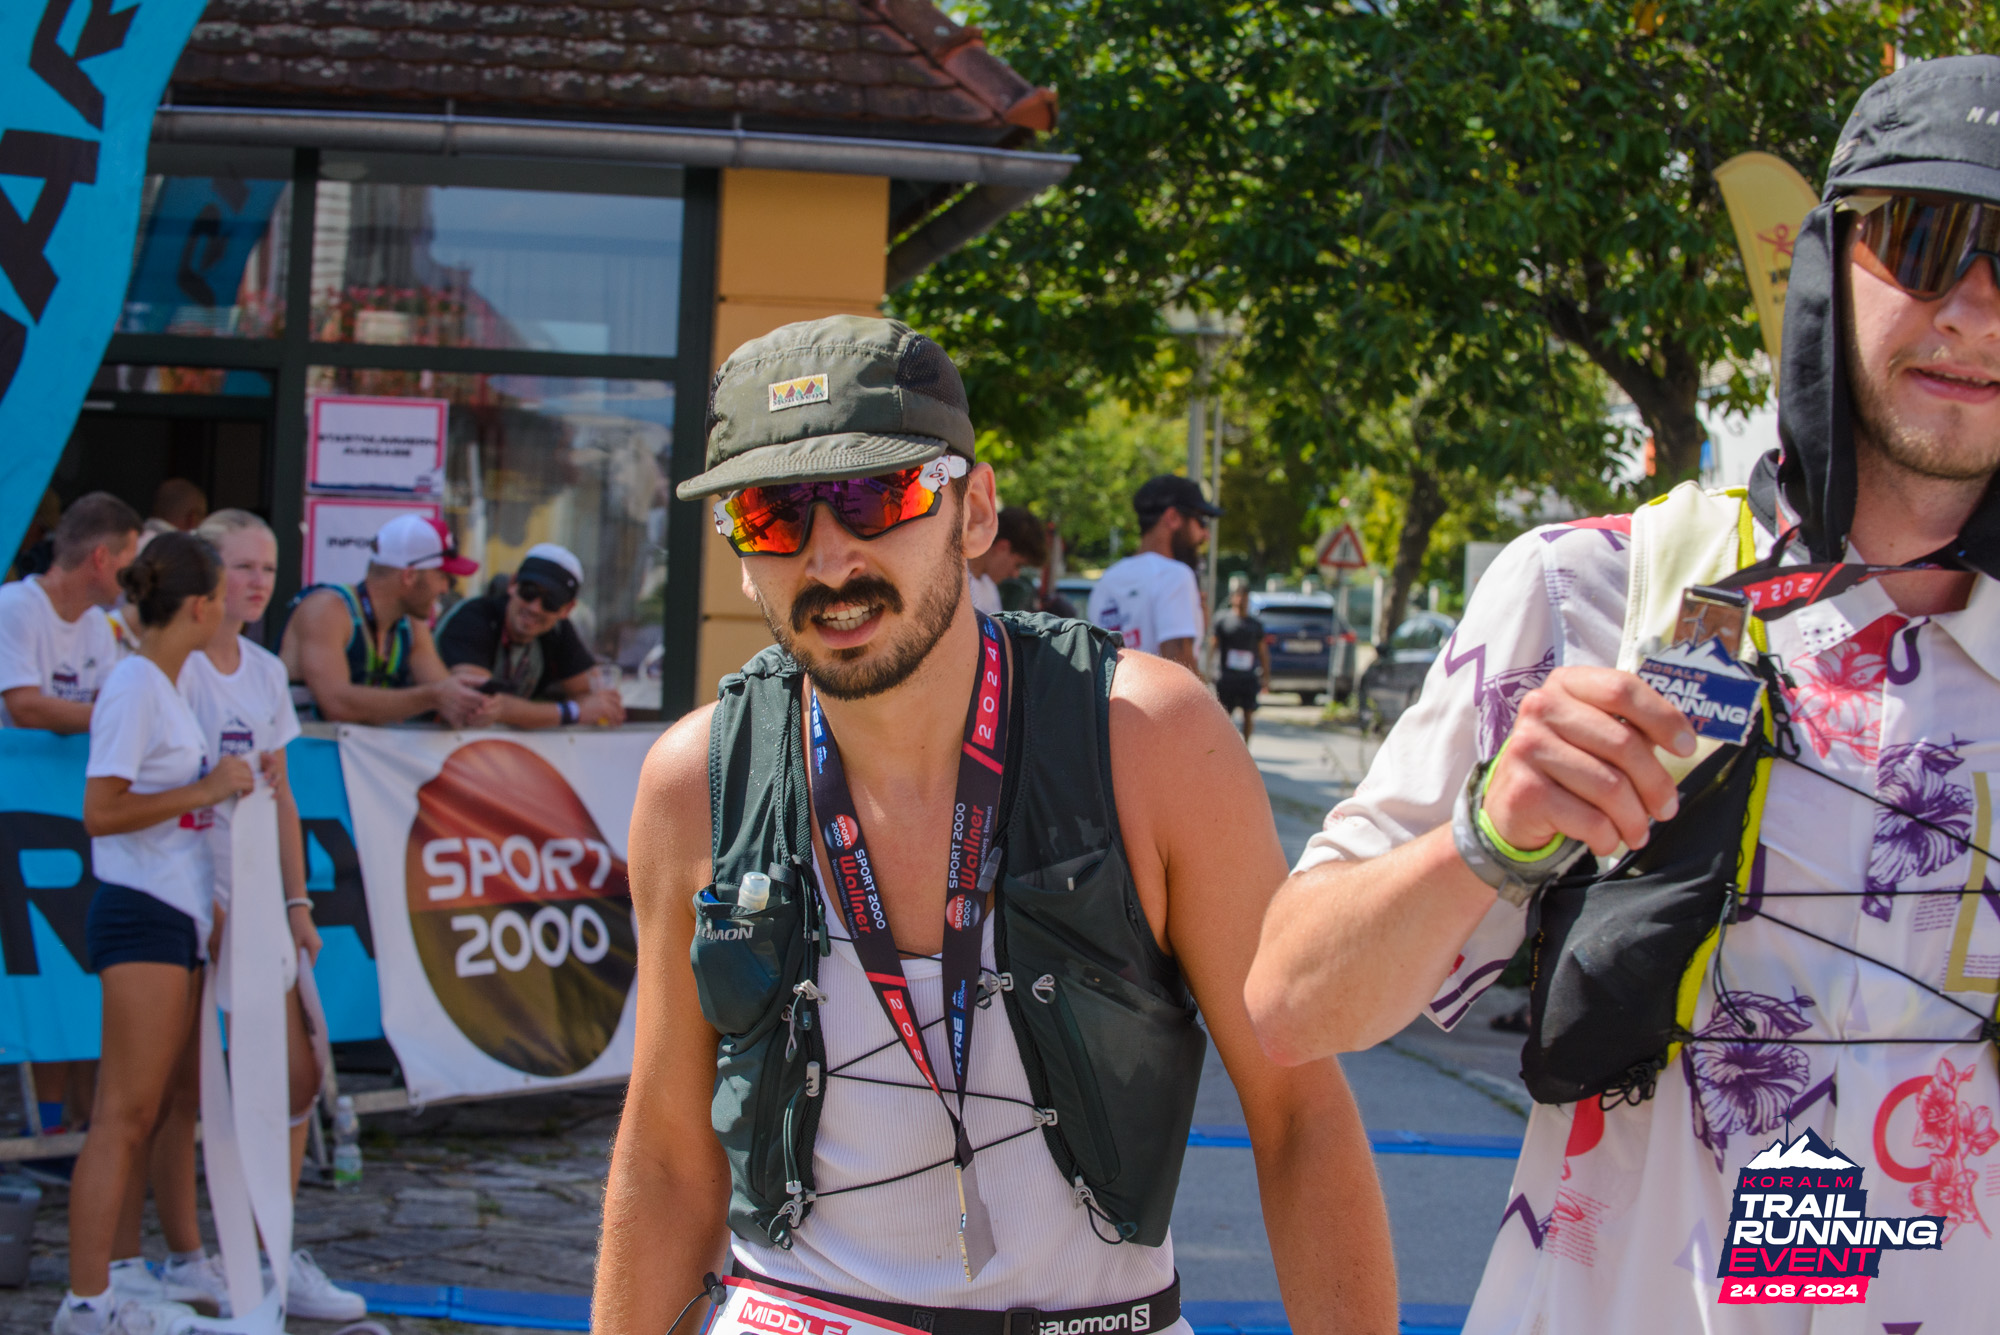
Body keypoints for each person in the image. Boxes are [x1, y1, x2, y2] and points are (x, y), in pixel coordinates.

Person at [1245, 56, 2000, 1332]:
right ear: (1828, 264)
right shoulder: (1591, 591)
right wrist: (1489, 838)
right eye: (1925, 241)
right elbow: (1289, 1003)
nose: (1973, 311)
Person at [596, 315, 1394, 1335]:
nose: (829, 558)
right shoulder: (699, 778)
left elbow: (1298, 1116)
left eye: (875, 496)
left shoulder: (1144, 740)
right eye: (770, 514)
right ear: (739, 551)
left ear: (972, 511)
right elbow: (667, 1156)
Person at [165, 510, 363, 1320]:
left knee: (292, 1075)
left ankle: (268, 1250)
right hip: (183, 896)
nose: (257, 582)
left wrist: (295, 901)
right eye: (242, 566)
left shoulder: (261, 670)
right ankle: (190, 1257)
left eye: (269, 568)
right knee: (184, 1091)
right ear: (207, 573)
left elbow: (281, 795)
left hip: (256, 903)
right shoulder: (173, 668)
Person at [57, 534, 256, 1335]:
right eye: (227, 594)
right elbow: (100, 810)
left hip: (174, 912)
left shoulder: (163, 683)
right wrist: (206, 788)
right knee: (124, 1113)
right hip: (138, 909)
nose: (235, 607)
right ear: (200, 606)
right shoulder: (136, 683)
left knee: (153, 1108)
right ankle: (85, 1300)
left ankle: (121, 1277)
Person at [278, 514, 496, 728]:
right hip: (295, 750)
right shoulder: (326, 609)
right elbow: (337, 705)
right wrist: (434, 697)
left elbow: (442, 693)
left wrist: (472, 703)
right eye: (443, 576)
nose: (446, 589)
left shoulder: (411, 625)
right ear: (409, 576)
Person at [434, 543, 625, 729]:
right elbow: (477, 701)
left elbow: (593, 696)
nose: (535, 607)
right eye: (529, 592)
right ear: (513, 584)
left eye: (551, 601)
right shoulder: (474, 617)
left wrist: (586, 706)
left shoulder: (558, 630)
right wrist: (572, 712)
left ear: (567, 609)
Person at [0, 493, 140, 733]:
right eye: (130, 563)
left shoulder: (97, 624)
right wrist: (115, 714)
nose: (133, 577)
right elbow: (24, 710)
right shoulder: (14, 606)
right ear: (101, 558)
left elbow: (108, 700)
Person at [1086, 475, 1218, 671]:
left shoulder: (1106, 581)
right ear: (1173, 517)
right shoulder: (1174, 575)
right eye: (1201, 521)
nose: (1205, 534)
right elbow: (1179, 675)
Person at [1211, 576, 1268, 741]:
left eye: (1245, 596)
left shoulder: (1255, 625)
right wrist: (1209, 669)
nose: (1242, 600)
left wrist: (1266, 675)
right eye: (1239, 595)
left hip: (1248, 677)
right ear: (1232, 598)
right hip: (1227, 677)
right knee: (1224, 716)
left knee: (1248, 714)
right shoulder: (1222, 620)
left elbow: (1263, 651)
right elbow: (1213, 646)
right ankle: (1224, 748)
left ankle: (1246, 747)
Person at [966, 506, 1048, 615]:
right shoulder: (956, 584)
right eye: (1018, 565)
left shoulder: (989, 587)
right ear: (1002, 547)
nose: (1015, 575)